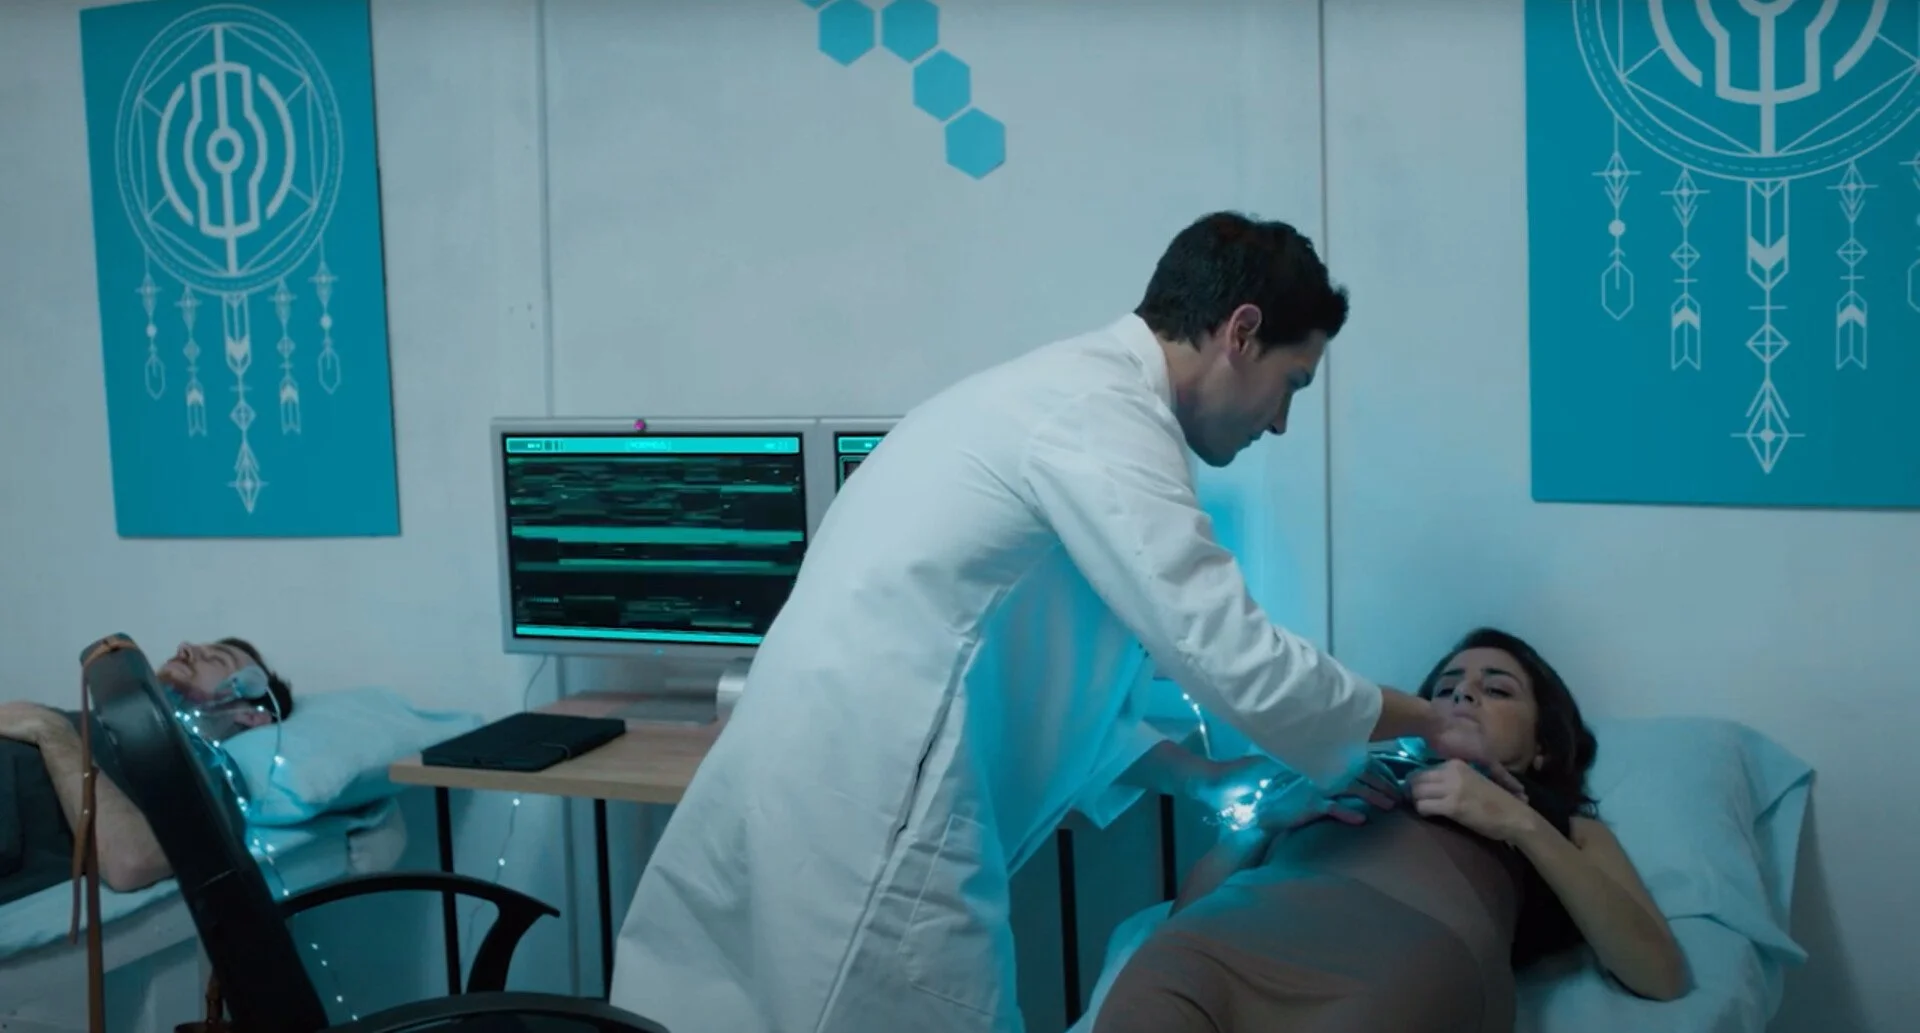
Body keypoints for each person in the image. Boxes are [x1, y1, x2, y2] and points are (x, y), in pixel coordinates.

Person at [609, 212, 1519, 1033]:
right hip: (866, 830)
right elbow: (1236, 656)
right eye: (1293, 382)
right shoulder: (1101, 419)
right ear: (1241, 332)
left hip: (805, 796)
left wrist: (1212, 780)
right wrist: (1430, 721)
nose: (1282, 421)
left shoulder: (1048, 401)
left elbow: (1052, 692)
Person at [1090, 628, 1690, 1033]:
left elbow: (1659, 974)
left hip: (1401, 966)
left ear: (1542, 747)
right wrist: (1262, 822)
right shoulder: (1335, 771)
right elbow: (1185, 916)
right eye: (1446, 689)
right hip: (1231, 933)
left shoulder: (1561, 824)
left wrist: (1516, 820)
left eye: (1496, 689)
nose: (1462, 693)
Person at [0, 638, 293, 902]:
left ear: (252, 716)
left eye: (215, 659)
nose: (185, 648)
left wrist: (52, 731)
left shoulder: (210, 767)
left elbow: (133, 861)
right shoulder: (101, 722)